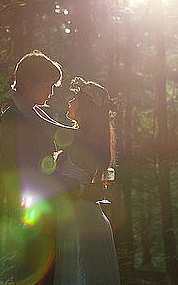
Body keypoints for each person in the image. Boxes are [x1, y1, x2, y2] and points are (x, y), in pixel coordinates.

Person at [0, 50, 79, 284]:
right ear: (30, 82)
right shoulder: (15, 118)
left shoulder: (30, 112)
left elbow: (66, 134)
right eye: (48, 85)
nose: (51, 92)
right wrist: (76, 186)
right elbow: (31, 172)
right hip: (32, 210)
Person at [52, 77, 121, 285]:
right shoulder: (86, 138)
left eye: (75, 98)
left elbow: (43, 127)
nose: (70, 101)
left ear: (85, 108)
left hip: (80, 221)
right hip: (81, 216)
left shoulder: (81, 140)